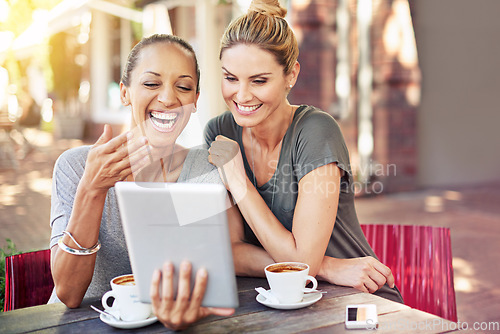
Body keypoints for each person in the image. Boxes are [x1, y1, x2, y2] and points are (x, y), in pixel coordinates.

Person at [205, 0, 403, 303]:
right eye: (230, 78)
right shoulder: (220, 133)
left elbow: (301, 264)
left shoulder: (315, 131)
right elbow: (229, 253)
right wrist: (327, 267)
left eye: (259, 81)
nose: (241, 96)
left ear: (291, 75)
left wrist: (236, 177)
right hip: (281, 298)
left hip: (358, 299)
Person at [49, 34, 235, 330]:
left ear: (195, 100)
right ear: (125, 93)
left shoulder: (204, 172)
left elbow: (201, 277)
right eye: (151, 83)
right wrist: (92, 189)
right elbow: (68, 294)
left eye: (183, 87)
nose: (168, 98)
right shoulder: (75, 166)